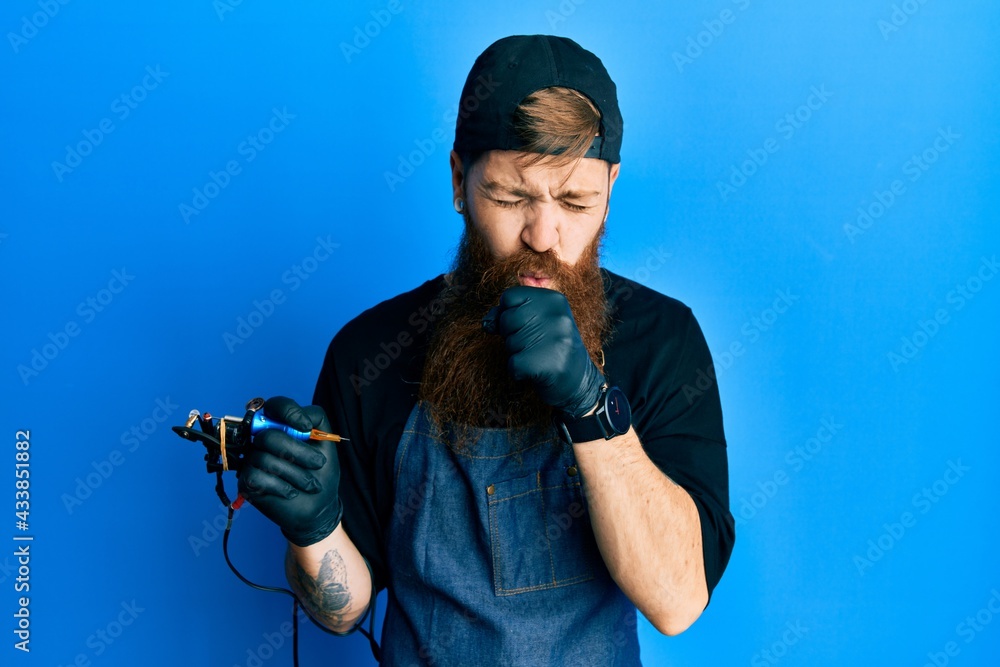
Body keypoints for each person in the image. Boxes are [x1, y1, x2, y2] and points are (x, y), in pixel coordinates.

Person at [238, 34, 735, 665]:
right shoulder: (371, 352)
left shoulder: (663, 341)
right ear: (458, 182)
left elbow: (677, 600)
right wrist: (311, 527)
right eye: (510, 197)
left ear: (610, 188)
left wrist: (590, 406)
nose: (544, 235)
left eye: (576, 201)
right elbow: (343, 612)